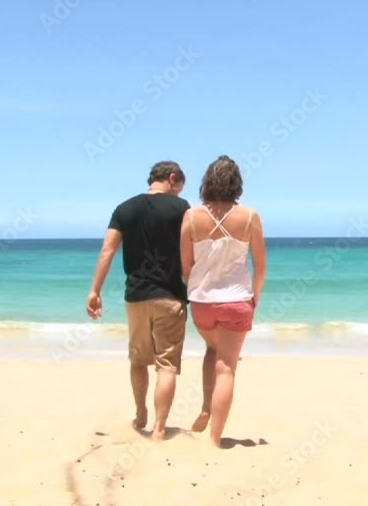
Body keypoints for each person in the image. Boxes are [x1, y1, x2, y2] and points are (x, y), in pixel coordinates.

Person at [86, 161, 190, 441]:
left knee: (138, 360)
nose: (179, 193)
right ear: (171, 178)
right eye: (179, 187)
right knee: (166, 365)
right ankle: (159, 429)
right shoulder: (182, 209)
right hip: (170, 296)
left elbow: (107, 251)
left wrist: (95, 290)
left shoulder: (124, 209)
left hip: (135, 298)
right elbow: (193, 251)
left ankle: (141, 413)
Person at [180, 155, 266, 448]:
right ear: (236, 183)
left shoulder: (191, 216)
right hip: (236, 300)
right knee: (226, 367)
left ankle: (206, 406)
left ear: (207, 181)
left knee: (212, 350)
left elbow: (186, 265)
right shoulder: (250, 217)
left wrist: (197, 286)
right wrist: (255, 297)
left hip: (202, 302)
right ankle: (215, 439)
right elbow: (261, 266)